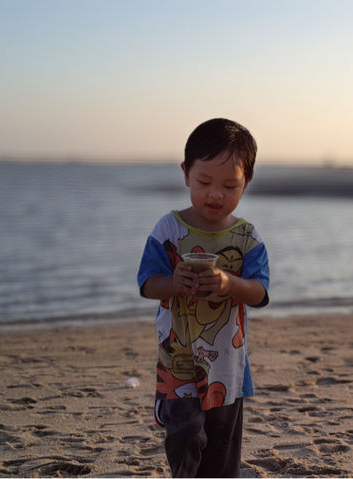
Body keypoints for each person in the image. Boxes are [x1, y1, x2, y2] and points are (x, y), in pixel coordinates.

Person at [137, 118, 270, 477]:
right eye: (204, 182)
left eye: (229, 185)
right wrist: (173, 282)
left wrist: (229, 283)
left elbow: (259, 292)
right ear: (186, 174)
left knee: (222, 455)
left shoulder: (248, 238)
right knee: (185, 437)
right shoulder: (169, 228)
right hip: (176, 362)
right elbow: (148, 283)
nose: (215, 194)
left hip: (227, 367)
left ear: (247, 184)